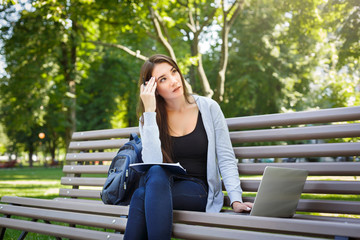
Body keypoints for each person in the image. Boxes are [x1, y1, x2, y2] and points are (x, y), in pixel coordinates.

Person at [124, 54, 253, 240]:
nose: (174, 81)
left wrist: (236, 199)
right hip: (160, 185)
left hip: (197, 190)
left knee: (140, 197)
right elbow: (152, 164)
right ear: (154, 89)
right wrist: (150, 112)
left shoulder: (208, 108)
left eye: (174, 71)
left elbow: (225, 157)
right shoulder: (150, 119)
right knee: (154, 176)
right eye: (163, 79)